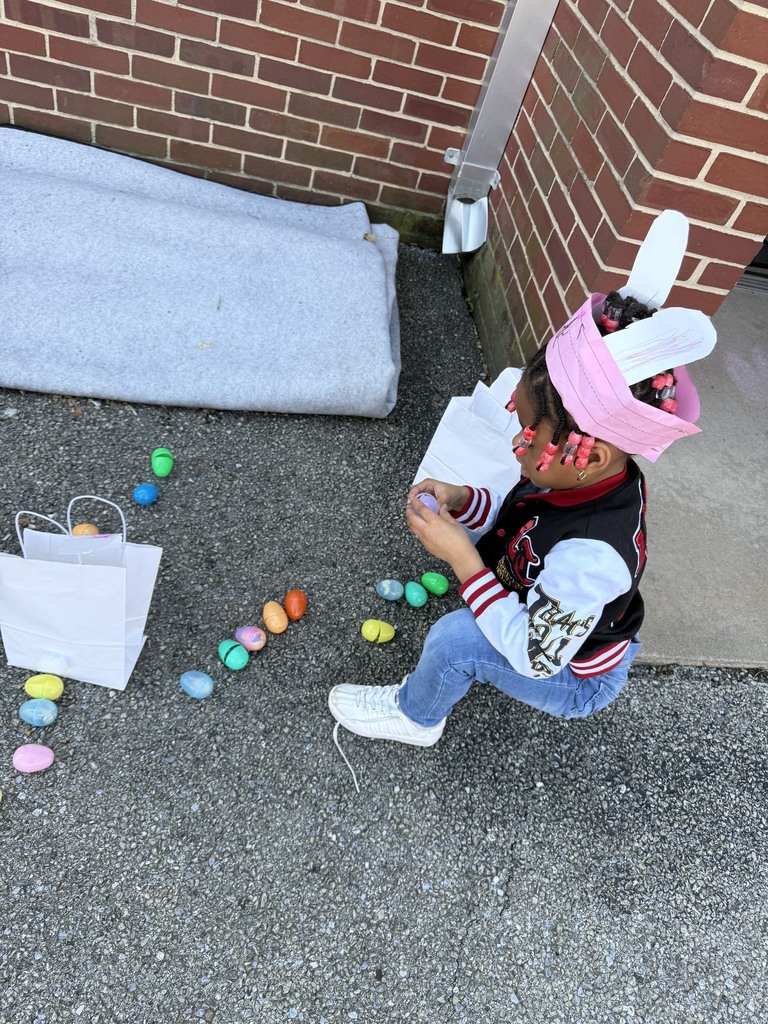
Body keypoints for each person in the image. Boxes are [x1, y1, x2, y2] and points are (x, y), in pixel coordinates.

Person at [328, 260, 716, 749]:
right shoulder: (574, 476)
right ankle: (489, 595)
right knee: (469, 540)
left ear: (589, 456)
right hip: (554, 603)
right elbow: (522, 515)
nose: (518, 442)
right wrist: (464, 500)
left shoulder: (594, 557)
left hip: (576, 675)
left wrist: (464, 562)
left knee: (456, 640)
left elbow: (538, 657)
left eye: (531, 435)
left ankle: (416, 718)